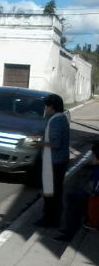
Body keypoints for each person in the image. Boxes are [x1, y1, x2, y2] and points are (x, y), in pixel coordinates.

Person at [34, 93, 70, 229]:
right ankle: (52, 218)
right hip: (59, 161)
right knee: (55, 191)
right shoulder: (61, 118)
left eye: (47, 107)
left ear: (52, 107)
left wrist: (40, 144)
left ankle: (50, 219)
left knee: (51, 191)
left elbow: (56, 144)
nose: (45, 109)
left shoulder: (56, 120)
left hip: (54, 162)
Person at [53, 143, 99, 242]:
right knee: (72, 194)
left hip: (95, 204)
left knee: (72, 197)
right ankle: (70, 228)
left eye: (93, 156)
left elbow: (95, 193)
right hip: (94, 201)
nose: (91, 157)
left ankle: (69, 233)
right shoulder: (96, 168)